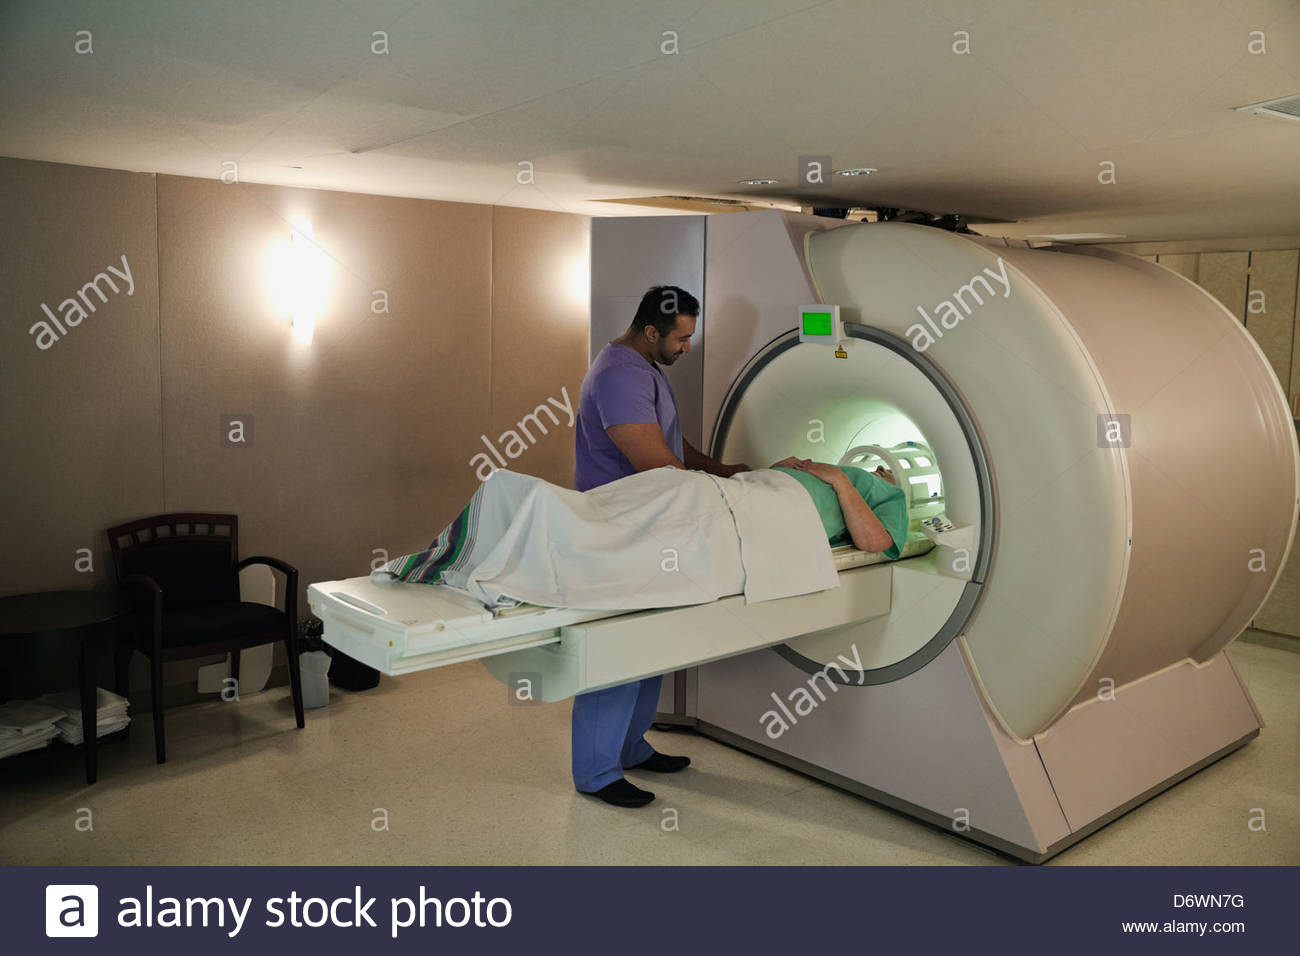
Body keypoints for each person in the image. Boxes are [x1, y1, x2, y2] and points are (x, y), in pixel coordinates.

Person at [571, 284, 750, 808]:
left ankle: (629, 747)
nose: (685, 348)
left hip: (651, 528)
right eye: (681, 338)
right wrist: (717, 493)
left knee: (652, 645)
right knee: (618, 650)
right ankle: (597, 774)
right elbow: (653, 460)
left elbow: (670, 444)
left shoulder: (642, 368)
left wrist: (720, 470)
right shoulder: (619, 374)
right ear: (651, 332)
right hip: (621, 530)